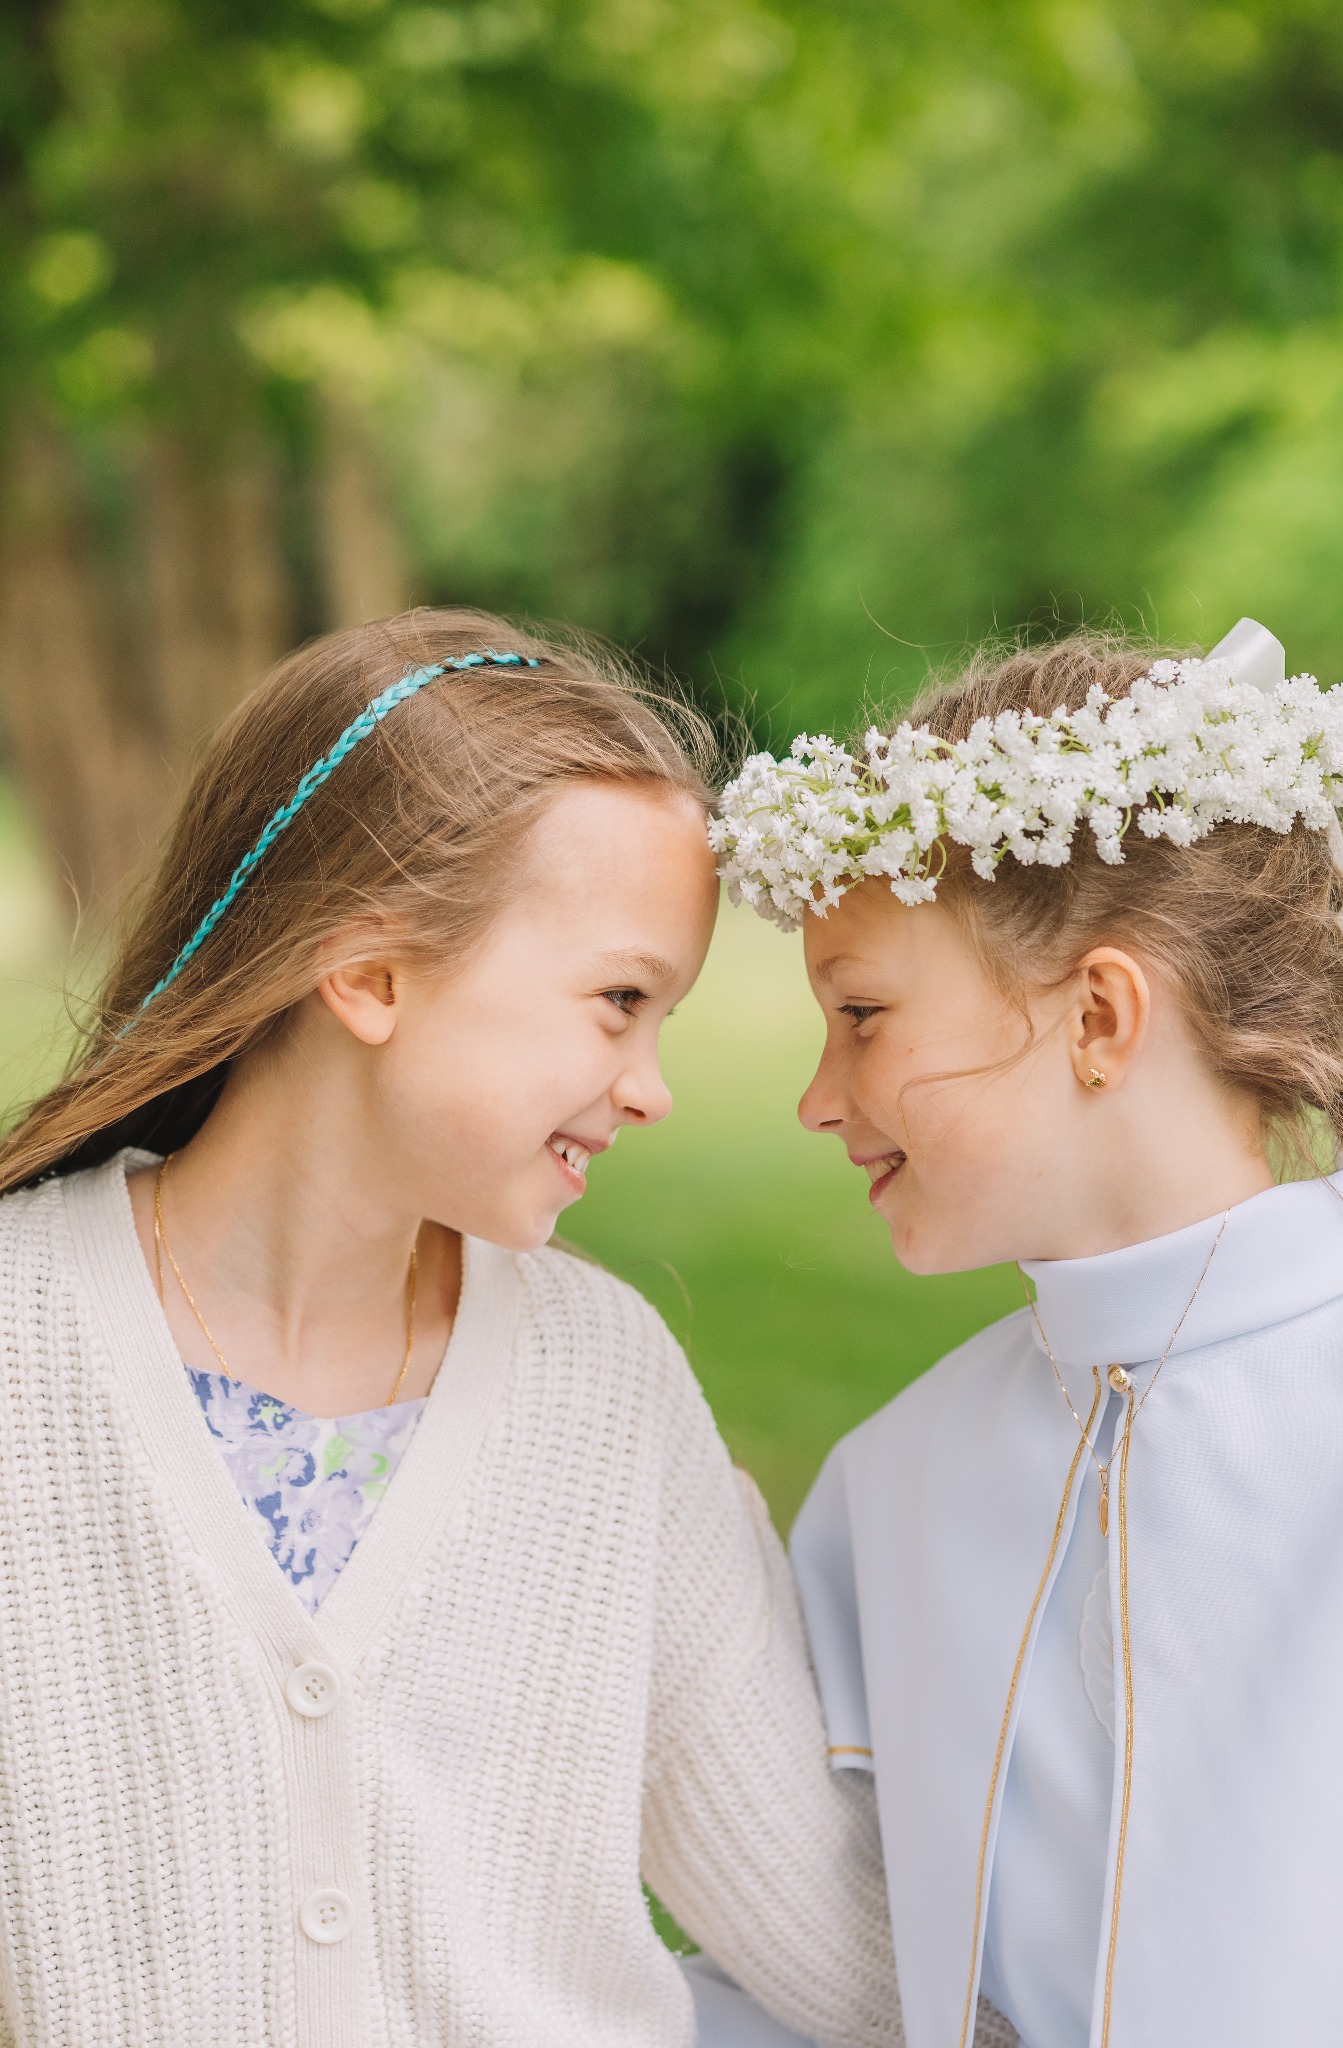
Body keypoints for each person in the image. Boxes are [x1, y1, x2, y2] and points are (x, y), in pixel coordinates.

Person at [0, 609, 901, 2048]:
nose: (651, 1085)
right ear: (369, 976)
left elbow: (840, 1937)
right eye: (617, 1001)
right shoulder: (22, 1350)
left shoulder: (605, 1386)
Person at [713, 621, 1343, 2048]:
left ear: (1098, 1016)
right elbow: (810, 1964)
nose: (819, 1099)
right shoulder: (895, 1488)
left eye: (864, 1016)